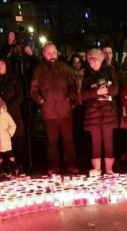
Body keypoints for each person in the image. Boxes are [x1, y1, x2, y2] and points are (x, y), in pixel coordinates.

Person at [31, 43, 79, 174]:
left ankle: (71, 164)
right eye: (49, 53)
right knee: (52, 142)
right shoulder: (39, 70)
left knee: (68, 140)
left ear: (57, 53)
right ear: (44, 54)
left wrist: (69, 98)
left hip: (64, 111)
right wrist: (40, 100)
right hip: (49, 112)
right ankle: (54, 166)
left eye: (54, 52)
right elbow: (34, 89)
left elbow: (73, 85)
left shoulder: (64, 68)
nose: (52, 55)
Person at [80, 49, 120, 175]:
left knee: (108, 141)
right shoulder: (87, 74)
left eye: (95, 61)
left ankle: (109, 168)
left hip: (108, 113)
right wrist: (95, 93)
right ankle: (97, 168)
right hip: (93, 113)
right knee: (96, 142)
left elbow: (116, 89)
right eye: (90, 61)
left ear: (101, 60)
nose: (92, 64)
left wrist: (107, 90)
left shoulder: (110, 71)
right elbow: (83, 93)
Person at [0, 55, 27, 169]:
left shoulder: (14, 79)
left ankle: (19, 165)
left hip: (14, 114)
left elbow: (20, 97)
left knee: (17, 140)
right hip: (0, 116)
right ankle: (8, 167)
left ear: (7, 65)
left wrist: (7, 107)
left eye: (2, 63)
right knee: (4, 142)